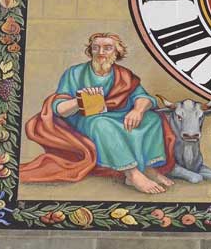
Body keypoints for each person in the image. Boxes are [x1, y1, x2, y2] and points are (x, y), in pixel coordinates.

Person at [20, 33, 176, 194]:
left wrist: (137, 110)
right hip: (86, 119)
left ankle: (148, 168)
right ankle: (132, 173)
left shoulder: (123, 74)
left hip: (117, 115)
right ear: (91, 51)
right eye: (96, 48)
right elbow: (58, 108)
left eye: (107, 48)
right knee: (102, 124)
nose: (101, 52)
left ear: (117, 52)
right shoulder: (75, 73)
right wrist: (80, 101)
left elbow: (144, 97)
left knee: (152, 118)